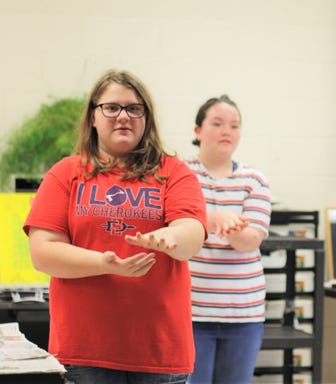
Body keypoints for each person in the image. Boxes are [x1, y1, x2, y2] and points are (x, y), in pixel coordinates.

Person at [23, 69, 208, 384]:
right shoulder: (65, 173)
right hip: (85, 352)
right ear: (93, 116)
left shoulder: (173, 172)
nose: (124, 116)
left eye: (134, 108)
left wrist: (170, 236)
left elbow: (192, 234)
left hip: (159, 353)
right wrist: (103, 263)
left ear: (146, 118)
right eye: (111, 107)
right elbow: (43, 254)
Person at [185, 95, 272, 384]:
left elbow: (250, 240)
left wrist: (222, 224)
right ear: (197, 131)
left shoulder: (254, 180)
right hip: (192, 312)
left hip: (243, 315)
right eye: (217, 123)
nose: (227, 131)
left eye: (234, 125)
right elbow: (177, 224)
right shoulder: (181, 175)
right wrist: (215, 218)